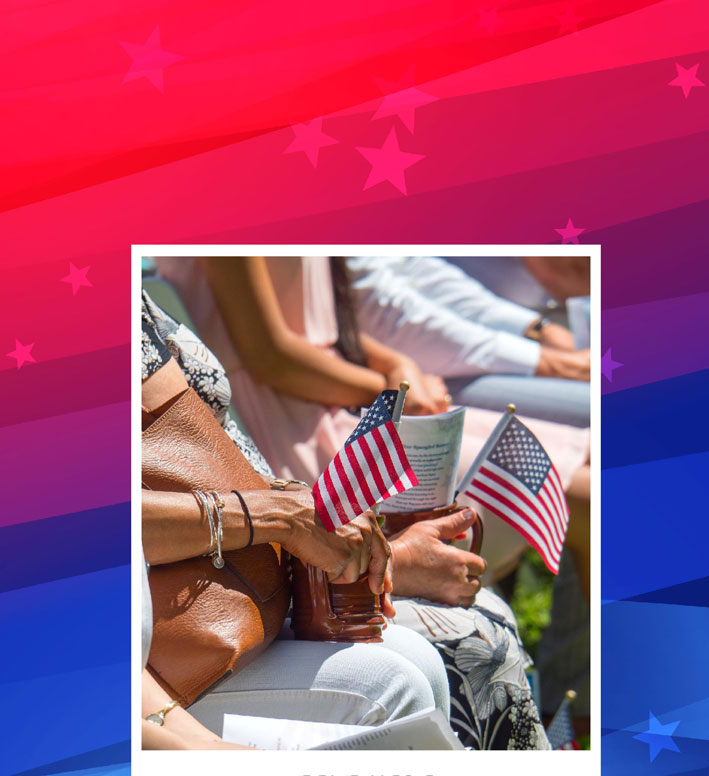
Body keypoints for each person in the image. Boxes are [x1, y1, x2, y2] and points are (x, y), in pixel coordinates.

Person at [142, 287, 550, 750]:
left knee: (451, 641)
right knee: (433, 662)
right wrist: (288, 519)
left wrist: (328, 529)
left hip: (253, 582)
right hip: (176, 634)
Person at [156, 255, 589, 597]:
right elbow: (273, 359)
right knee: (591, 498)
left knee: (593, 462)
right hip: (295, 425)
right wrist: (386, 388)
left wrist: (397, 363)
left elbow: (325, 323)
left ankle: (597, 697)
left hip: (337, 394)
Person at [347, 255, 590, 427]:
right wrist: (552, 362)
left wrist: (536, 330)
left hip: (439, 354)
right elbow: (381, 314)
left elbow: (413, 268)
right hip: (407, 375)